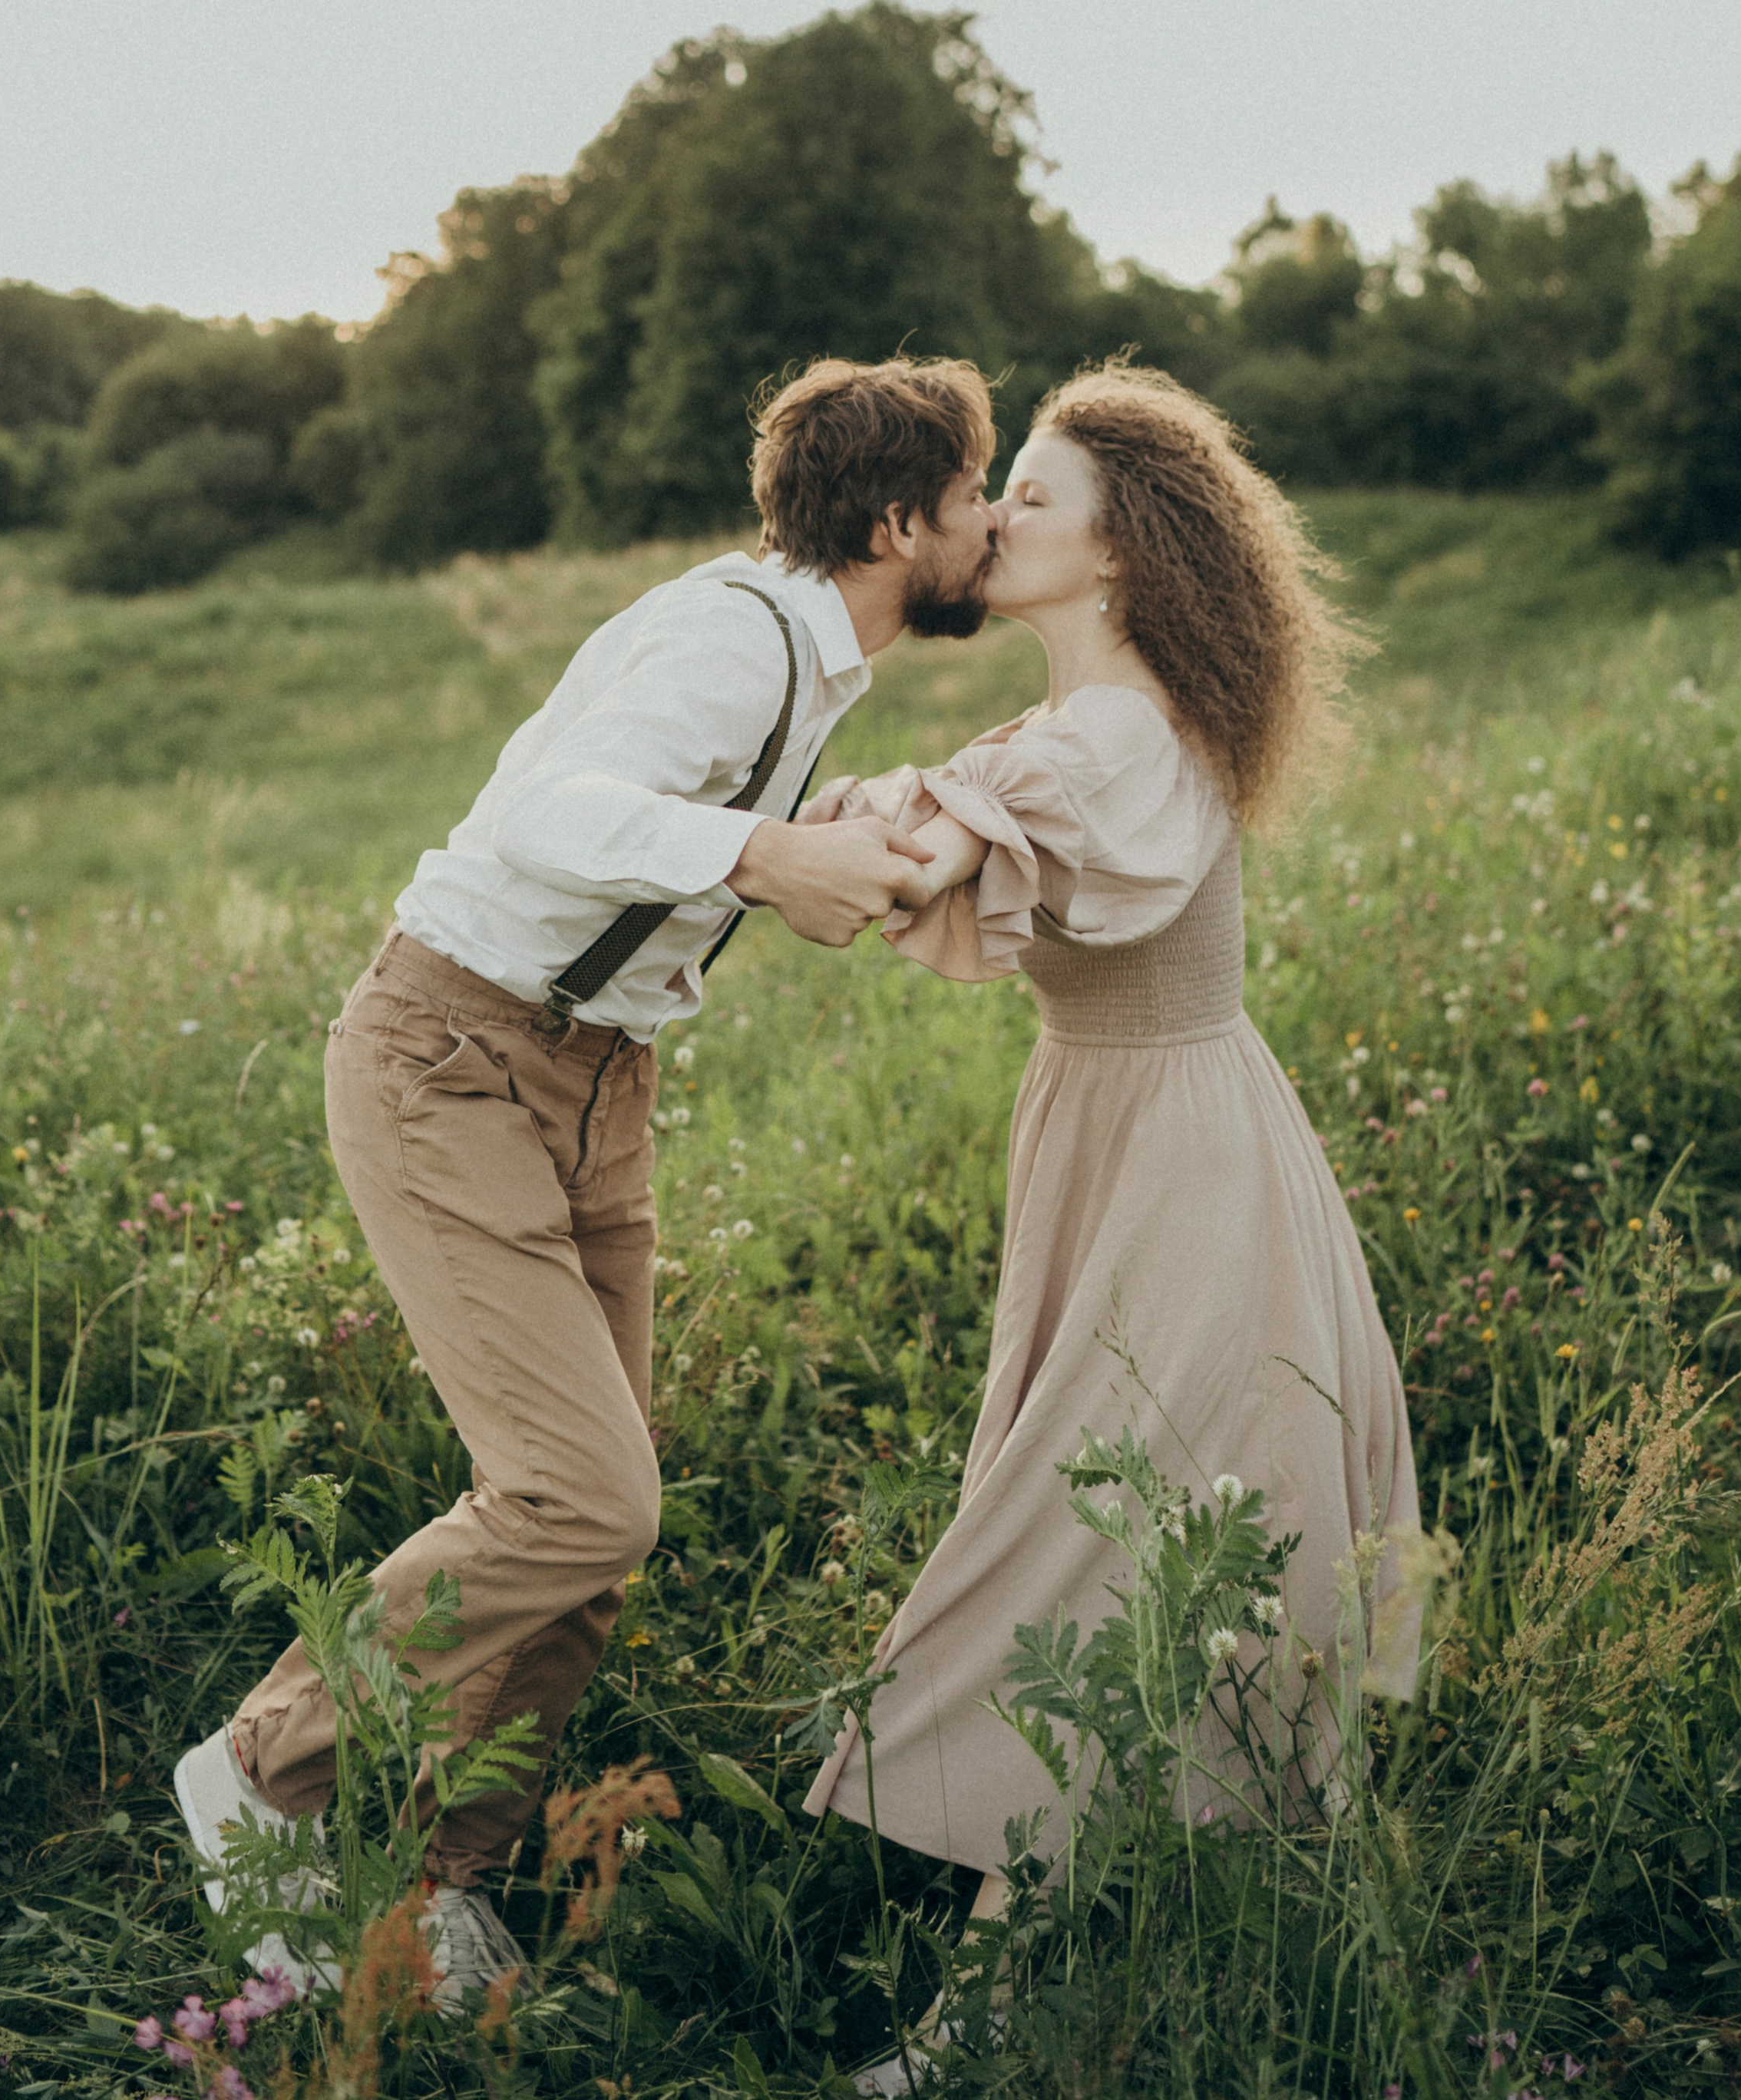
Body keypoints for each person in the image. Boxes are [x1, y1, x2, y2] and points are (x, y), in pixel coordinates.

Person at [169, 355, 1000, 1999]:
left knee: (594, 1532)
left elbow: (660, 823)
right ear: (901, 521)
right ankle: (261, 1771)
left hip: (592, 1078)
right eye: (975, 495)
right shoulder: (732, 633)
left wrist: (803, 838)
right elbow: (546, 807)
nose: (987, 523)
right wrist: (768, 858)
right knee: (577, 1496)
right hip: (453, 1059)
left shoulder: (809, 661)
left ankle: (453, 1878)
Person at [801, 363, 1419, 1989]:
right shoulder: (1084, 731)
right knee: (1126, 1518)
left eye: (1036, 498)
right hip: (1132, 1130)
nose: (996, 514)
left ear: (1121, 551)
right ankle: (1199, 1925)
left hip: (1176, 1166)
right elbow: (963, 820)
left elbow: (950, 846)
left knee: (1098, 1534)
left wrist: (829, 845)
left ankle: (1000, 2010)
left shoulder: (1111, 743)